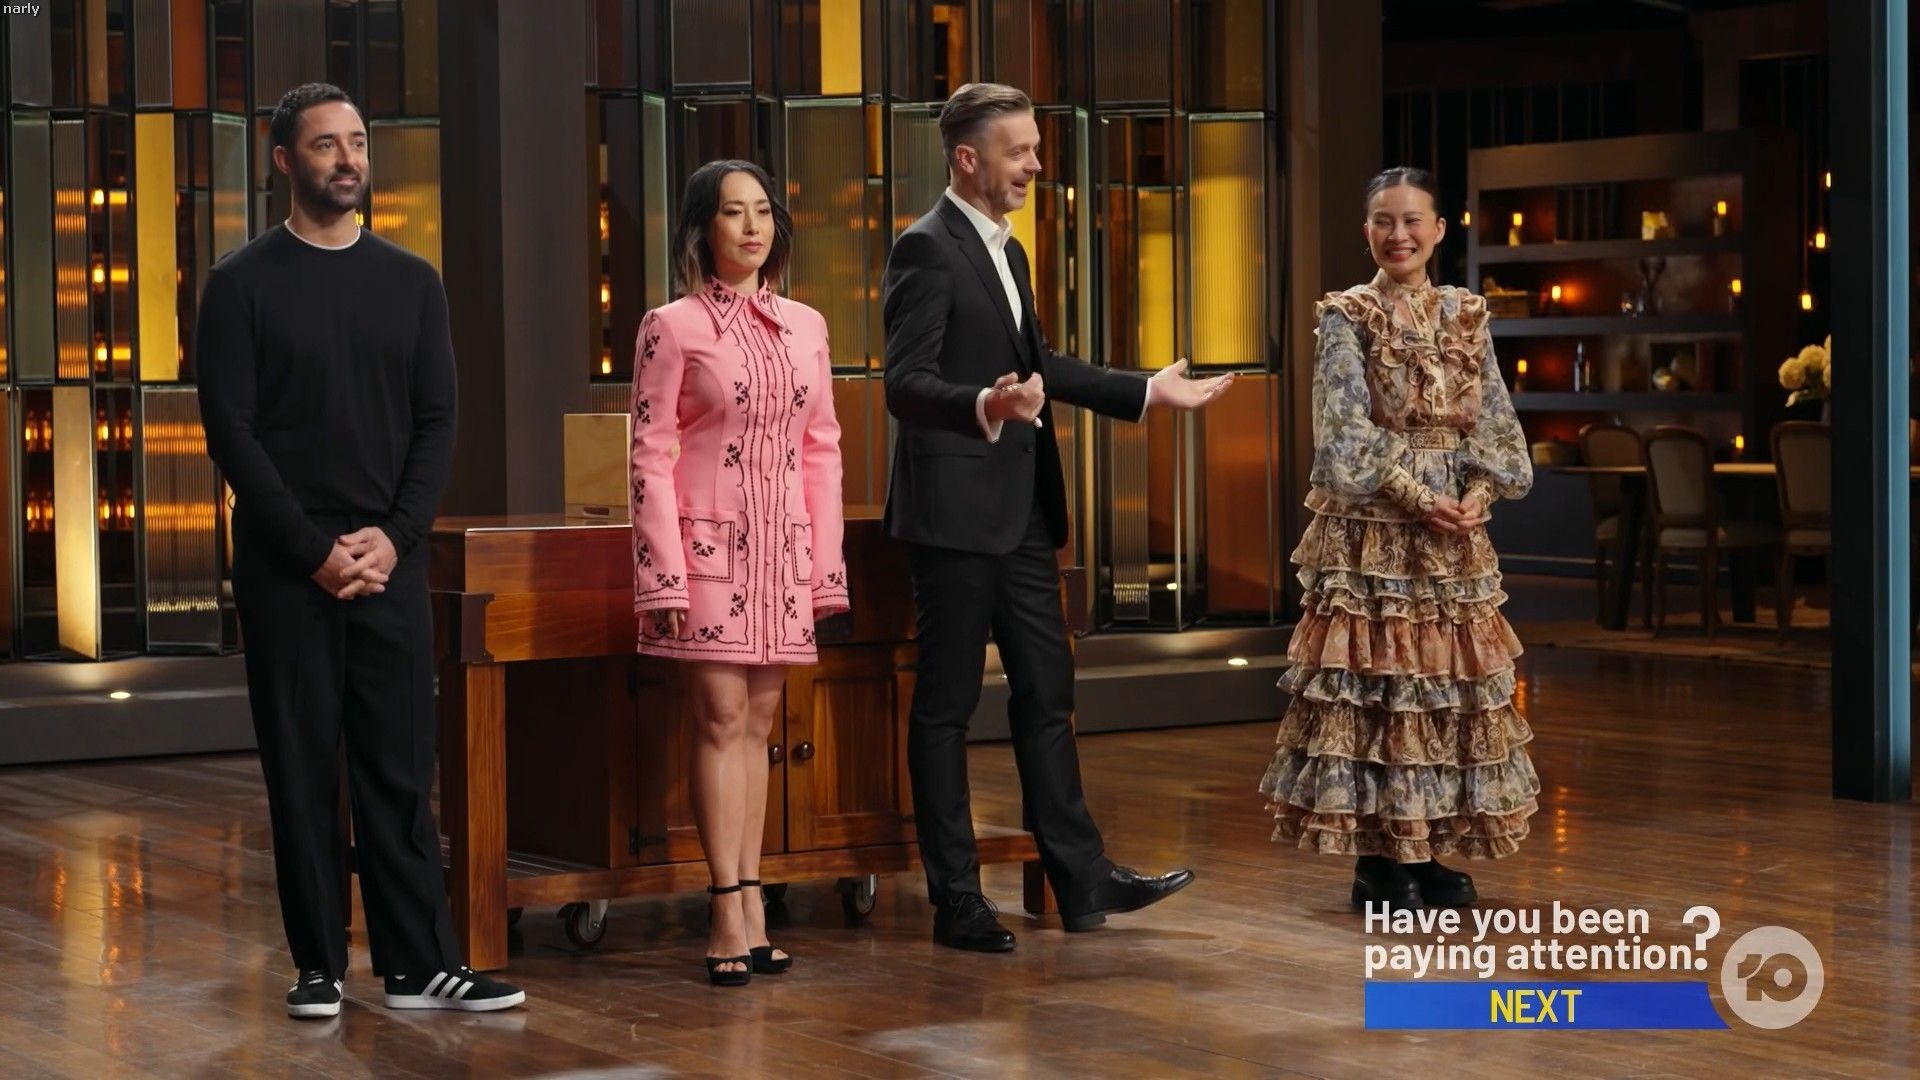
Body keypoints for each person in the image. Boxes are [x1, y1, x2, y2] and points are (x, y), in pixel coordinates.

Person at [196, 83, 524, 1017]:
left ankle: (419, 965)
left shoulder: (412, 282)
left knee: (399, 765)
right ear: (284, 162)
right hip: (286, 566)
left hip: (390, 560)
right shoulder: (239, 285)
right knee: (302, 768)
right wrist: (313, 550)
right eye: (326, 145)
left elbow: (437, 421)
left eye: (358, 143)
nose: (348, 160)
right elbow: (232, 434)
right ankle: (320, 965)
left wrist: (395, 536)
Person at [881, 82, 1231, 952]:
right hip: (953, 517)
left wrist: (1145, 390)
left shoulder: (1010, 252)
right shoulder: (925, 248)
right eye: (1021, 151)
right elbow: (905, 384)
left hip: (1023, 515)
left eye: (1036, 149)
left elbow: (1043, 362)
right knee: (948, 707)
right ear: (969, 158)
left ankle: (1081, 878)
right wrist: (986, 405)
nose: (1037, 164)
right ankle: (958, 899)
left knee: (1049, 692)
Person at [1259, 166, 1540, 911]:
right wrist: (1420, 498)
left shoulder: (1466, 315)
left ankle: (1425, 847)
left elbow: (1498, 429)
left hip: (1452, 542)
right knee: (1380, 688)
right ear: (1367, 231)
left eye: (1412, 220)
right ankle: (1379, 862)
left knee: (1441, 693)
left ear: (1439, 230)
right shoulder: (1347, 316)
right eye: (1384, 221)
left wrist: (1476, 496)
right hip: (1373, 539)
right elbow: (1342, 438)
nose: (1398, 235)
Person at [628, 160, 849, 985]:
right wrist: (663, 573)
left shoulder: (808, 326)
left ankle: (754, 897)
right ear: (703, 228)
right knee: (720, 716)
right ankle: (725, 904)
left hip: (783, 551)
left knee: (759, 723)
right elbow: (649, 455)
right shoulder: (671, 326)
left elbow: (822, 450)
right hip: (705, 551)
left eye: (762, 212)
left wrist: (824, 567)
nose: (752, 227)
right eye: (733, 213)